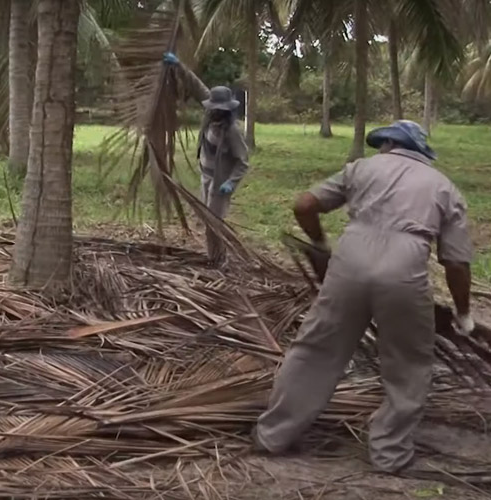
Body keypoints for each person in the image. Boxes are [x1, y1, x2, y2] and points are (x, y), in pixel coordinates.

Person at [253, 120, 474, 473]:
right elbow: (456, 262)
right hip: (404, 268)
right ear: (421, 152)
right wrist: (463, 313)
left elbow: (305, 204)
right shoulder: (443, 188)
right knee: (407, 362)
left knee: (316, 349)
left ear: (387, 144)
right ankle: (389, 454)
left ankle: (273, 435)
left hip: (350, 260)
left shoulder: (361, 169)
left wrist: (322, 244)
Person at [162, 52, 250, 265]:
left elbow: (243, 161)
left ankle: (219, 260)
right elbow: (195, 84)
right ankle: (214, 256)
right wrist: (178, 65)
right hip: (206, 176)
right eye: (214, 109)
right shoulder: (209, 113)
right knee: (206, 218)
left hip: (220, 183)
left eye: (220, 111)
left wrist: (231, 182)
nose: (216, 113)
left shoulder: (232, 132)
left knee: (214, 222)